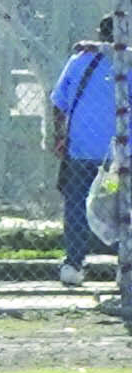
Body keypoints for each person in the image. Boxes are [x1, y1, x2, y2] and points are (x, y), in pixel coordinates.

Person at [50, 15, 120, 286]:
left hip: (81, 148)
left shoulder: (80, 60)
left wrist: (59, 135)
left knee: (77, 204)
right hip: (117, 155)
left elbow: (59, 103)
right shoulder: (126, 63)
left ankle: (74, 263)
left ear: (99, 35)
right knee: (119, 205)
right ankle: (123, 263)